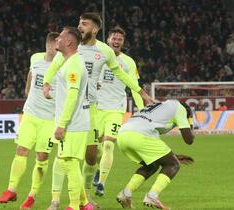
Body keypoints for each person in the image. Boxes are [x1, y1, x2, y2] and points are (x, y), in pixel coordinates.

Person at [43, 12, 154, 208]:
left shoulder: (104, 51)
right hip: (71, 110)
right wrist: (46, 82)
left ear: (95, 29)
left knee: (91, 156)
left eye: (84, 24)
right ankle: (62, 199)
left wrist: (141, 92)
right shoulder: (72, 49)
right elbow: (54, 65)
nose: (80, 27)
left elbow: (121, 74)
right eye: (79, 23)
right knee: (66, 156)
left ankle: (83, 195)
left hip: (91, 109)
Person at [0, 32, 60, 209]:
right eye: (56, 45)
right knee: (21, 150)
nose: (58, 48)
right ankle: (11, 189)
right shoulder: (36, 58)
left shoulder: (63, 65)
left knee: (42, 156)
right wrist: (27, 91)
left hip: (49, 119)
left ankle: (32, 195)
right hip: (30, 114)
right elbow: (31, 74)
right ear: (48, 45)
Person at [116, 100, 195, 209]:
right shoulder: (180, 108)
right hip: (140, 135)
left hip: (122, 135)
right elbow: (189, 139)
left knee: (152, 164)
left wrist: (174, 155)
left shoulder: (161, 107)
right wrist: (190, 121)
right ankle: (152, 196)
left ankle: (126, 194)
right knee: (173, 164)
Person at [94, 26, 145, 196]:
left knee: (109, 144)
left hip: (116, 109)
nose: (116, 42)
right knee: (96, 149)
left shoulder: (129, 62)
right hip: (96, 108)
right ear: (108, 40)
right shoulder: (98, 55)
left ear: (123, 43)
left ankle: (101, 182)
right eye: (113, 38)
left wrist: (142, 109)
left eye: (119, 40)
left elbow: (135, 87)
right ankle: (96, 170)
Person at [48, 26, 90, 210]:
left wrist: (62, 124)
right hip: (74, 122)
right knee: (68, 161)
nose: (57, 38)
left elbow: (72, 96)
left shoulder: (74, 64)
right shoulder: (70, 61)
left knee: (69, 162)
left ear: (69, 42)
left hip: (72, 124)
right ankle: (85, 204)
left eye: (61, 37)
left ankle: (74, 206)